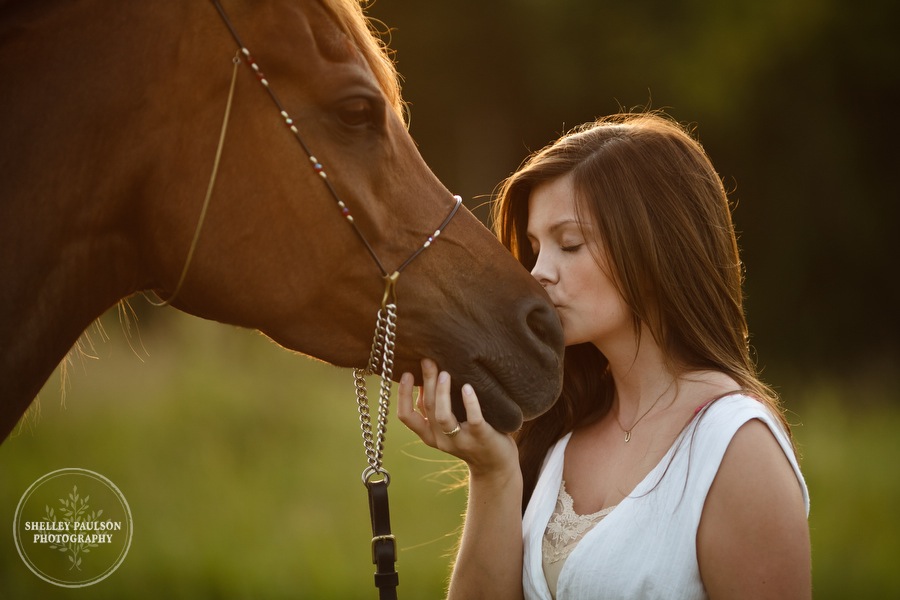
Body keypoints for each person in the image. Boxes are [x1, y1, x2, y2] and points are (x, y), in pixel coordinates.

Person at [398, 112, 810, 599]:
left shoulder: (735, 447)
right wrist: (493, 474)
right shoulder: (559, 429)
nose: (538, 273)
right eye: (534, 248)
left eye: (569, 244)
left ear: (655, 249)